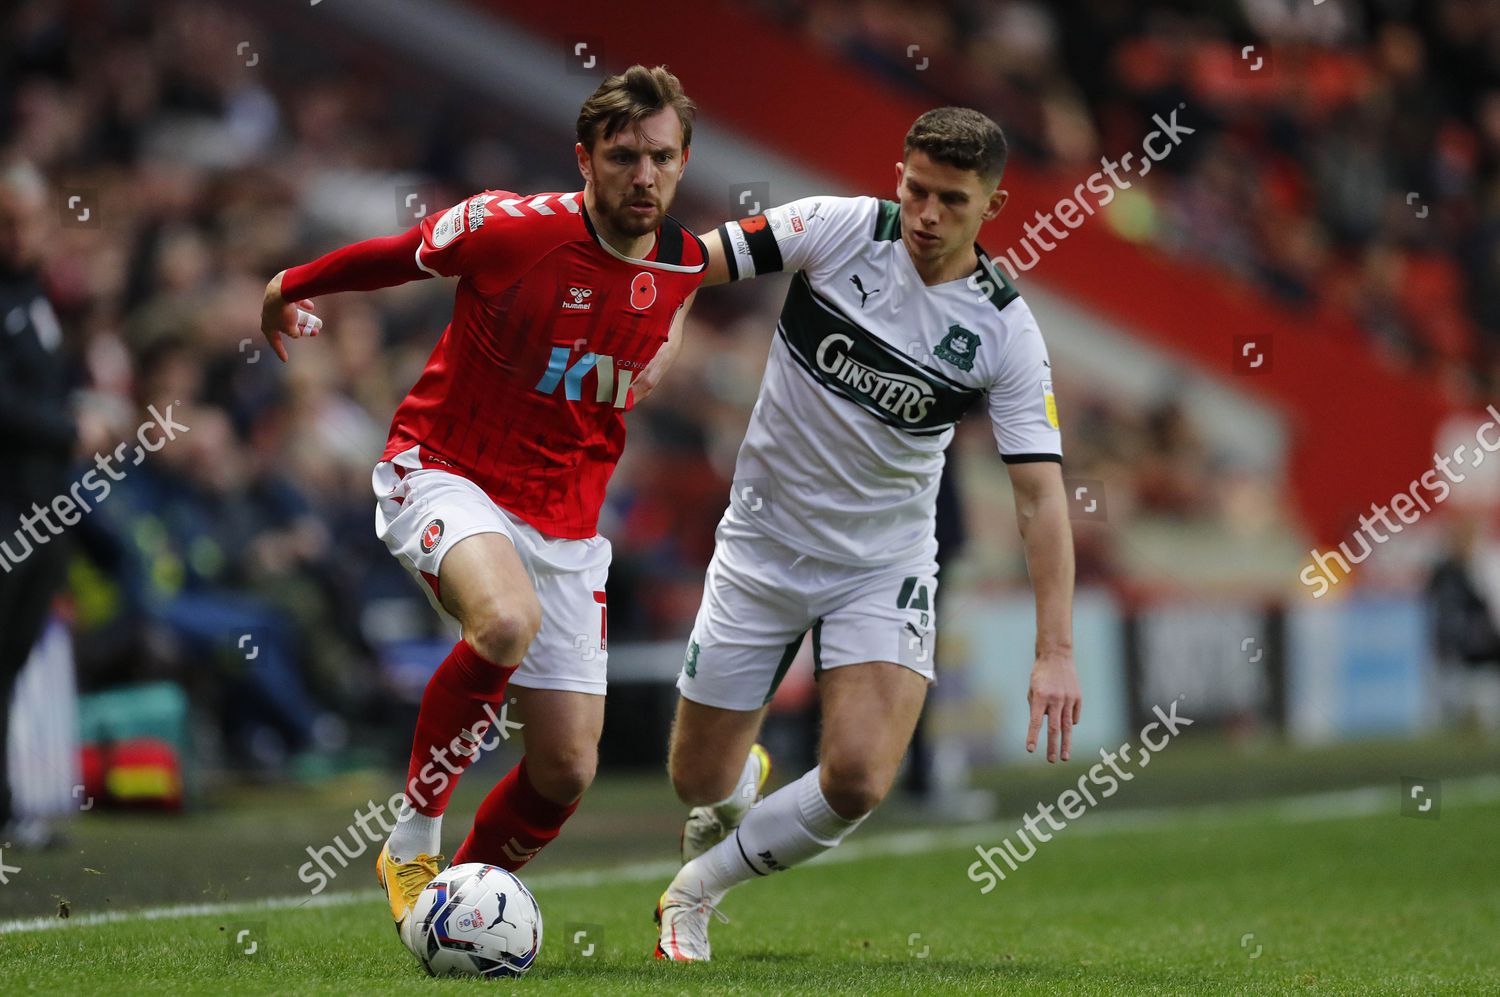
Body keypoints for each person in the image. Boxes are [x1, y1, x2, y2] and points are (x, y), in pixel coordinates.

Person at [258, 66, 706, 943]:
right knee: (505, 623)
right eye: (623, 157)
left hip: (568, 523)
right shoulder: (512, 227)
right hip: (443, 470)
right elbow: (399, 256)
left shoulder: (689, 260)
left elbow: (712, 275)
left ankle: (461, 910)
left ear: (684, 163)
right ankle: (412, 842)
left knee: (568, 767)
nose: (643, 176)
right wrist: (291, 285)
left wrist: (676, 331)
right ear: (585, 159)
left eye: (661, 157)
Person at [652, 107, 1081, 961]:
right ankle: (735, 785)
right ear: (899, 174)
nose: (927, 214)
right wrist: (661, 331)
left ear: (990, 207)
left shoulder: (1005, 330)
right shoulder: (839, 227)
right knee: (694, 779)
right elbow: (690, 260)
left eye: (952, 201)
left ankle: (696, 892)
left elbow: (1039, 497)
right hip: (761, 546)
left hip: (881, 565)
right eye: (917, 189)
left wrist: (1056, 648)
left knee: (856, 776)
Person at [0, 159, 101, 844]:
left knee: (12, 655)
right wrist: (71, 427)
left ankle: (6, 806)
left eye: (24, 220)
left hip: (45, 509)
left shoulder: (35, 297)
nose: (14, 234)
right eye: (4, 222)